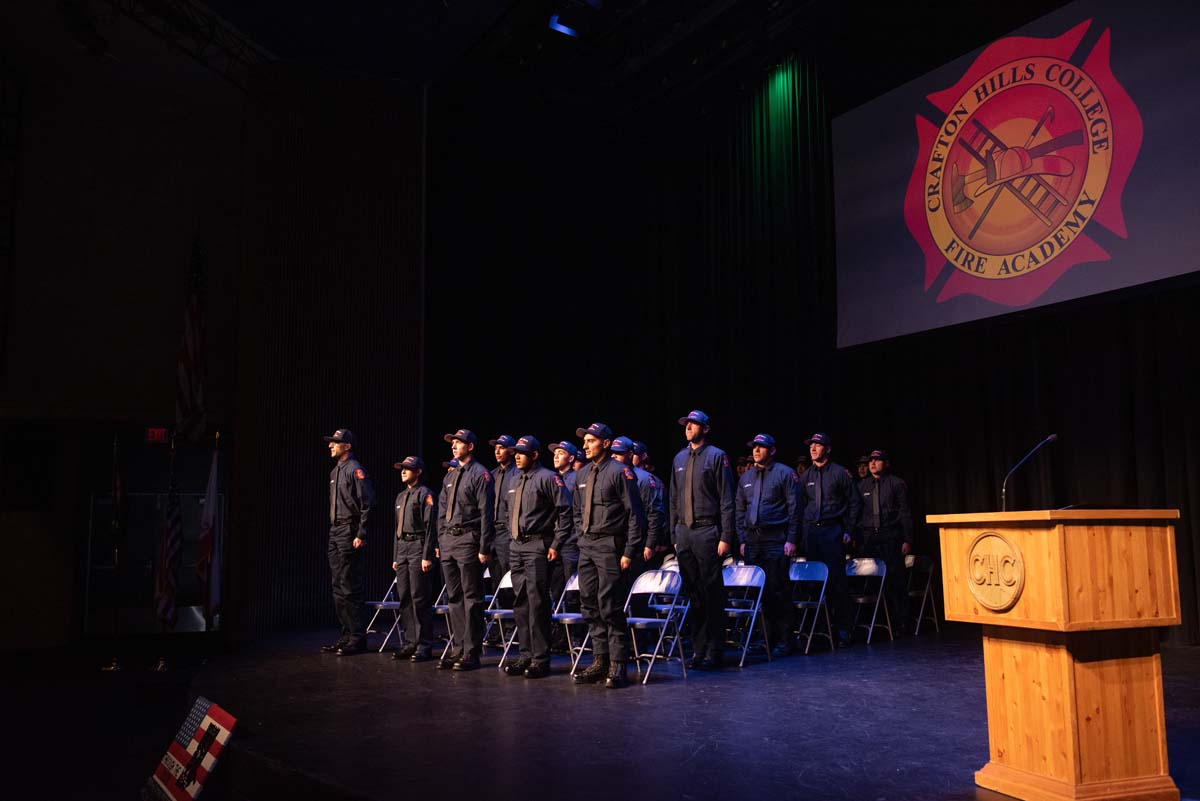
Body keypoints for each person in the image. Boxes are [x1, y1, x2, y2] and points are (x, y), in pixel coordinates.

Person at [571, 423, 646, 689]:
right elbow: (577, 512)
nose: (585, 445)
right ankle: (600, 659)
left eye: (590, 440)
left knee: (610, 605)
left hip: (610, 546)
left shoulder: (620, 472)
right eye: (584, 441)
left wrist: (629, 551)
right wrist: (581, 538)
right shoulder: (581, 475)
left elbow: (636, 516)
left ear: (605, 443)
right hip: (587, 545)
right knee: (588, 603)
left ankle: (618, 664)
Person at [499, 436, 573, 678]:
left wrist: (556, 543)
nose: (517, 456)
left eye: (522, 452)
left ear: (534, 455)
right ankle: (525, 655)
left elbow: (565, 511)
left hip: (538, 546)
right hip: (517, 546)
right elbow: (510, 511)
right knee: (519, 602)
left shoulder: (548, 478)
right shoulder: (514, 479)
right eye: (516, 452)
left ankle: (541, 658)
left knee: (537, 602)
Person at [668, 410, 736, 670]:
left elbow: (727, 500)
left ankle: (714, 650)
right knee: (693, 594)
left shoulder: (717, 456)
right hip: (684, 534)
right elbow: (674, 498)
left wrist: (726, 536)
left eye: (694, 424)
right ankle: (698, 650)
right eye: (686, 424)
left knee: (711, 593)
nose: (688, 427)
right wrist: (675, 534)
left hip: (708, 533)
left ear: (705, 429)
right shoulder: (679, 458)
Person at [735, 434, 801, 656]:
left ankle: (784, 639)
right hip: (753, 540)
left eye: (761, 447)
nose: (755, 451)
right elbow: (740, 510)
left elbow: (795, 509)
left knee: (777, 590)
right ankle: (765, 639)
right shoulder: (746, 477)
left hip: (776, 540)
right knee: (757, 592)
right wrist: (742, 539)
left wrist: (791, 539)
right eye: (754, 447)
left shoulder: (785, 473)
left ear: (772, 450)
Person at [436, 428, 495, 671]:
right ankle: (457, 648)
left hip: (469, 540)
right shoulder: (450, 476)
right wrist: (440, 539)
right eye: (453, 442)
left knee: (472, 598)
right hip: (449, 542)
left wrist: (484, 546)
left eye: (459, 442)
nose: (454, 445)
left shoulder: (480, 474)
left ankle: (471, 651)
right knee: (454, 598)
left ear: (470, 446)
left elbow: (486, 513)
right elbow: (441, 511)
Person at [798, 432, 861, 648]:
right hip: (812, 534)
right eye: (811, 445)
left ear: (828, 448)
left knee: (836, 582)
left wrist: (848, 530)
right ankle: (819, 631)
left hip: (833, 531)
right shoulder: (805, 476)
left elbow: (854, 503)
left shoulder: (840, 473)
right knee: (814, 584)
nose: (813, 448)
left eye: (818, 445)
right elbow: (802, 507)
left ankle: (844, 630)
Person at [322, 429, 375, 655]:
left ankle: (357, 637)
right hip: (335, 531)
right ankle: (345, 635)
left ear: (347, 446)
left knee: (350, 586)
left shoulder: (356, 470)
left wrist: (361, 534)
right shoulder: (335, 471)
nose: (330, 446)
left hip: (349, 530)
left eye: (335, 442)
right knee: (337, 587)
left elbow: (368, 503)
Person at [857, 448, 914, 634]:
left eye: (877, 460)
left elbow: (905, 512)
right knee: (872, 582)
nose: (872, 463)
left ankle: (902, 623)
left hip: (890, 536)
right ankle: (879, 622)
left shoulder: (896, 484)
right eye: (871, 460)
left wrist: (907, 539)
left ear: (886, 463)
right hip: (870, 538)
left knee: (895, 581)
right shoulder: (863, 486)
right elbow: (857, 512)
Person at [390, 456, 436, 662]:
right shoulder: (400, 497)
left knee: (419, 597)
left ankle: (424, 644)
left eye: (408, 468)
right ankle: (410, 642)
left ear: (418, 472)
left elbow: (429, 529)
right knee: (405, 597)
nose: (403, 471)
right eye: (402, 468)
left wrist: (427, 555)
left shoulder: (425, 494)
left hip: (418, 547)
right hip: (403, 549)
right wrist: (395, 556)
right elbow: (396, 530)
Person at [610, 437, 664, 574]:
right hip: (615, 542)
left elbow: (654, 513)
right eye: (613, 453)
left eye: (619, 453)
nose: (614, 456)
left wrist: (650, 543)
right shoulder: (610, 475)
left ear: (630, 454)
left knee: (635, 585)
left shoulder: (644, 479)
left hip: (638, 543)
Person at [488, 435, 521, 595]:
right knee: (494, 575)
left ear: (511, 451)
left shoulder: (517, 474)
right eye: (495, 449)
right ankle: (499, 614)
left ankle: (511, 617)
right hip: (491, 532)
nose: (497, 451)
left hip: (507, 532)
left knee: (509, 574)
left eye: (501, 448)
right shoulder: (491, 475)